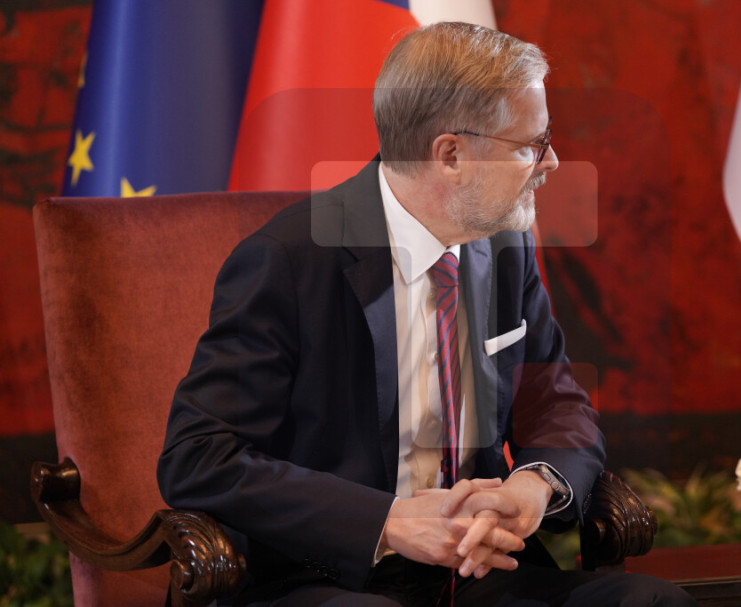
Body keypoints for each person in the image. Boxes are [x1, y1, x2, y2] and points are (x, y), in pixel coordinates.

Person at [157, 21, 694, 606]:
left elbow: (557, 403)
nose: (553, 161)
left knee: (653, 603)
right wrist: (388, 522)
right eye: (530, 145)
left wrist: (535, 484)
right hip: (329, 576)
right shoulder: (287, 260)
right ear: (451, 155)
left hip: (479, 571)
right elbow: (199, 456)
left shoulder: (505, 244)